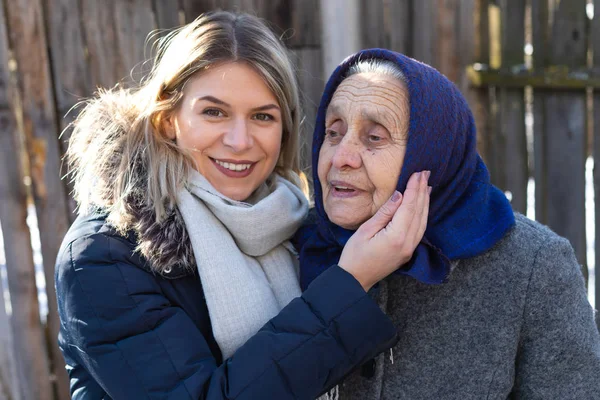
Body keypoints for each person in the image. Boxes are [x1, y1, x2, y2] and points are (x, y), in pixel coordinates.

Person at [55, 13, 432, 399]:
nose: (239, 140)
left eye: (262, 116)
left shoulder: (294, 226)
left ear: (284, 129)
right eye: (214, 112)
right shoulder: (104, 257)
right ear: (168, 119)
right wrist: (349, 284)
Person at [296, 48, 600, 399]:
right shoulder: (294, 241)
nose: (341, 157)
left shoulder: (532, 266)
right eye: (333, 132)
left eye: (374, 137)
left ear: (433, 153)